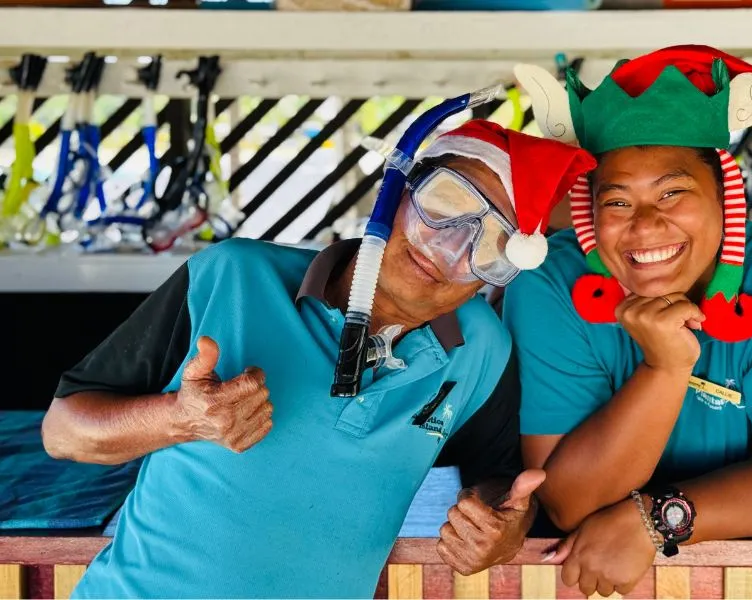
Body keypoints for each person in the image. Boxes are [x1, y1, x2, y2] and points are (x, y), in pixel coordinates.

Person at [41, 119, 596, 599]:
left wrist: (504, 527)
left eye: (494, 243)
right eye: (445, 205)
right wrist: (177, 420)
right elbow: (63, 432)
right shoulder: (233, 276)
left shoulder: (483, 349)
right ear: (398, 191)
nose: (447, 248)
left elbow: (498, 481)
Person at [504, 47, 752, 597]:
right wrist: (664, 367)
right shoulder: (548, 284)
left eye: (673, 192)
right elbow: (569, 501)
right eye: (616, 202)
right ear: (587, 209)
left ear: (726, 195)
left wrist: (655, 519)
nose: (645, 226)